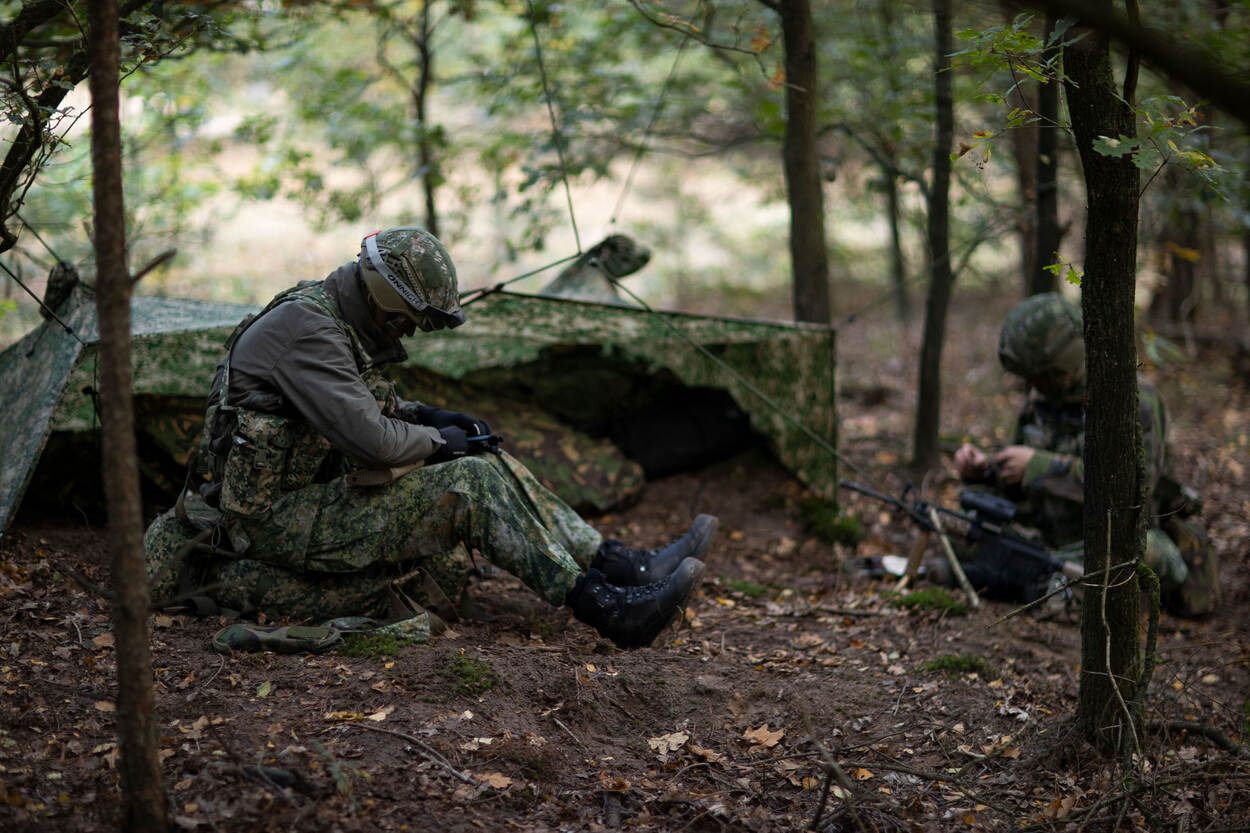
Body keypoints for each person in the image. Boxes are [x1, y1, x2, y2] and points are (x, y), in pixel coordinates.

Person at [143, 226, 717, 649]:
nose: (410, 332)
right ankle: (607, 610)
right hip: (266, 525)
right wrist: (440, 442)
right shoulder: (307, 327)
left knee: (485, 459)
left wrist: (436, 417)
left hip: (303, 505)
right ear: (387, 300)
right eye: (410, 320)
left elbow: (364, 405)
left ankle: (619, 565)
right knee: (466, 481)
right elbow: (372, 440)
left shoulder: (331, 319)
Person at [950, 292, 1217, 617]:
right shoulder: (1041, 403)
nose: (1037, 385)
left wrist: (1037, 467)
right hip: (1048, 540)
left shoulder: (1134, 400)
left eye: (1043, 375)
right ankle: (1037, 582)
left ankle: (1043, 587)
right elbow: (1020, 480)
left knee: (1140, 550)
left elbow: (1131, 492)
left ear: (1067, 359)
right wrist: (987, 470)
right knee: (963, 520)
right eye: (1031, 378)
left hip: (1113, 544)